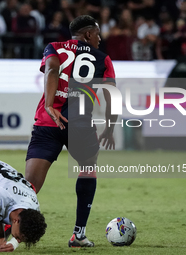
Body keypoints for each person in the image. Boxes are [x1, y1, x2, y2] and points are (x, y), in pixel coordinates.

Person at [25, 15, 117, 247]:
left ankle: (7, 231)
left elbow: (52, 70)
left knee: (30, 185)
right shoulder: (102, 58)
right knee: (88, 169)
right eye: (97, 33)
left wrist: (49, 105)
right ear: (88, 34)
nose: (100, 38)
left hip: (48, 121)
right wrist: (110, 127)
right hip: (80, 126)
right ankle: (79, 233)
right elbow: (111, 95)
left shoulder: (53, 48)